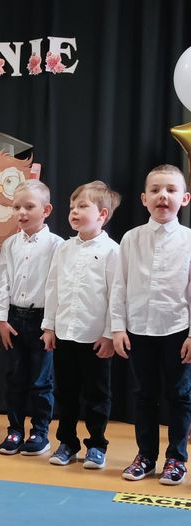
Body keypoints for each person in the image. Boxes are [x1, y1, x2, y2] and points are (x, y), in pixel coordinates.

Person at [111, 164, 191, 485]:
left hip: (177, 330)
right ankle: (145, 455)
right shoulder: (131, 239)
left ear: (184, 198)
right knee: (144, 395)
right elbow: (119, 285)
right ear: (144, 199)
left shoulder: (189, 240)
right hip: (139, 329)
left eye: (171, 190)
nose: (163, 196)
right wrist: (118, 327)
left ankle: (176, 458)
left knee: (179, 395)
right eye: (155, 190)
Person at [42, 181, 121, 469]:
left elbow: (116, 295)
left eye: (82, 206)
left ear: (102, 214)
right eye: (72, 207)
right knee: (66, 392)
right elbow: (52, 288)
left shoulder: (113, 251)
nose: (74, 211)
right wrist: (49, 327)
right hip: (65, 333)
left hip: (95, 337)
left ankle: (97, 444)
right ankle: (67, 443)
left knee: (97, 395)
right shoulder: (63, 249)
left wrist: (109, 334)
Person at [0, 181, 63, 455]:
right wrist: (1, 319)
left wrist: (50, 325)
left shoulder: (57, 245)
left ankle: (40, 431)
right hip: (14, 318)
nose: (21, 212)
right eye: (16, 207)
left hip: (41, 320)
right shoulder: (10, 244)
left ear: (46, 210)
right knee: (15, 378)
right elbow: (3, 281)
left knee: (41, 380)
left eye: (29, 207)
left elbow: (56, 287)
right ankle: (14, 430)